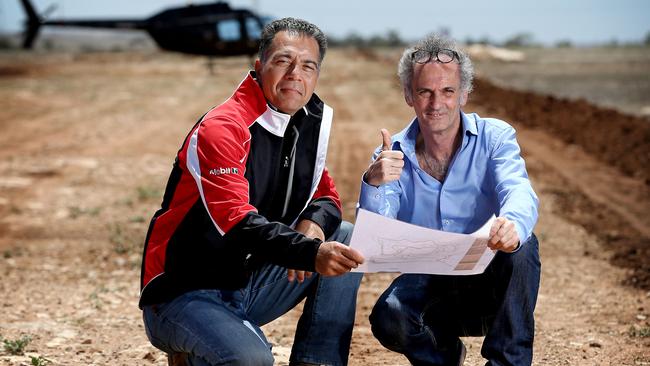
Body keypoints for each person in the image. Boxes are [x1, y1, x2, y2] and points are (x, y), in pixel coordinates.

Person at [139, 18, 365, 366]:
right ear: (259, 66)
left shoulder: (300, 124)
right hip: (183, 291)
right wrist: (309, 253)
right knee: (252, 360)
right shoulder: (223, 127)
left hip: (244, 285)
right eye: (282, 61)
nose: (295, 74)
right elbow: (236, 222)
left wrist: (314, 224)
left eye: (308, 66)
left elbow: (326, 195)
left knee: (343, 234)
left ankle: (317, 362)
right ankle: (195, 347)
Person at [358, 33, 541, 365]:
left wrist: (512, 224)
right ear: (408, 96)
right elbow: (377, 237)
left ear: (465, 94)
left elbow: (518, 189)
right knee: (390, 315)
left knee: (524, 245)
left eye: (447, 91)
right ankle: (443, 356)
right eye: (424, 92)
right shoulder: (390, 156)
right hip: (431, 288)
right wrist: (374, 182)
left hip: (490, 282)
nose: (436, 103)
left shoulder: (495, 138)